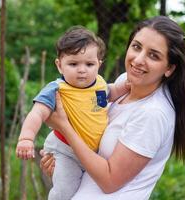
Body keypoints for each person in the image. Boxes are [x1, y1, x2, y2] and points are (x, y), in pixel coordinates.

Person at [41, 16, 185, 200]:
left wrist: (63, 126)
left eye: (153, 55)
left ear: (169, 68)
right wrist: (64, 160)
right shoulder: (124, 83)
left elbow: (110, 181)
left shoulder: (153, 113)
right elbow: (90, 133)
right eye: (136, 47)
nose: (138, 60)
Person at [16, 26, 129, 200]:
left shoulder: (99, 84)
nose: (82, 70)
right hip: (66, 151)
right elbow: (37, 113)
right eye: (73, 64)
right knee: (65, 191)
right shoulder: (57, 89)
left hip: (91, 153)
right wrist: (26, 138)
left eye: (89, 64)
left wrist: (125, 86)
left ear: (99, 64)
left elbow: (111, 93)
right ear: (59, 65)